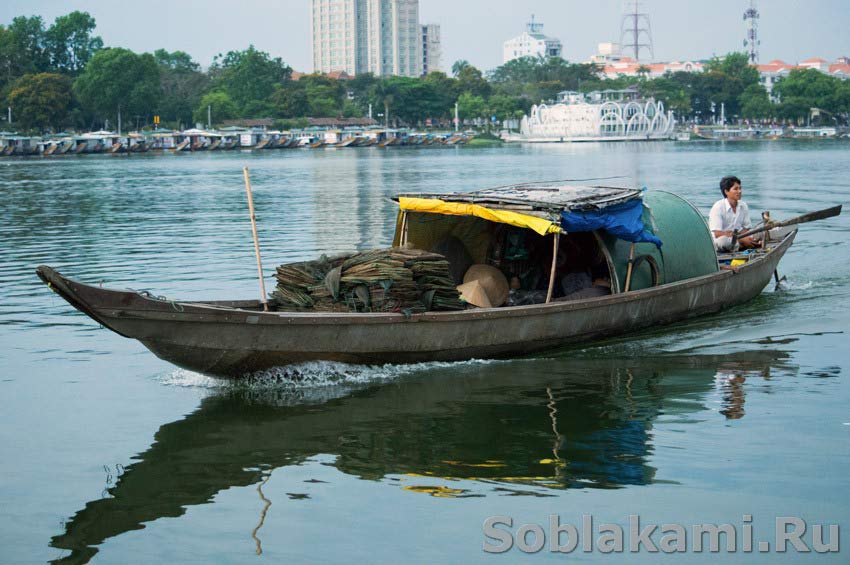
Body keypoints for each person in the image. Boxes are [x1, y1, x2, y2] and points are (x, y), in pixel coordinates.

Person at [709, 176, 758, 252]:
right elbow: (717, 234)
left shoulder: (743, 205)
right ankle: (745, 244)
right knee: (723, 241)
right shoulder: (718, 207)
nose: (739, 191)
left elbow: (746, 228)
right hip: (724, 241)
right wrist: (740, 239)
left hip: (737, 237)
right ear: (726, 192)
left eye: (740, 188)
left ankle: (744, 243)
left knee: (758, 233)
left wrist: (742, 237)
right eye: (736, 189)